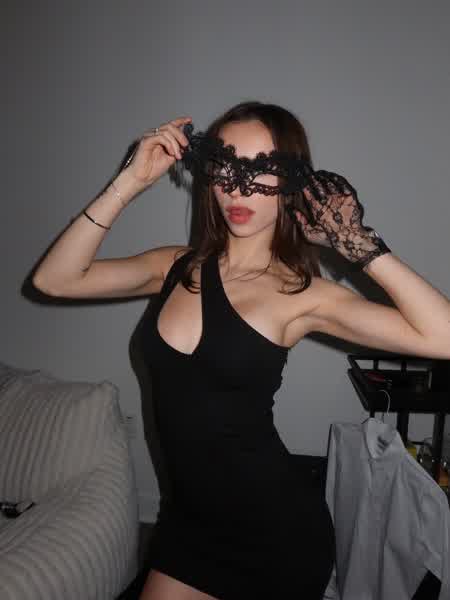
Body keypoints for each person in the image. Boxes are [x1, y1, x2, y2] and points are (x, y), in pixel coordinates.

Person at [33, 101, 450, 599]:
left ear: (292, 183)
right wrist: (129, 182)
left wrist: (354, 241)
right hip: (188, 524)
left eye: (262, 169)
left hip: (274, 533)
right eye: (226, 166)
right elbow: (55, 280)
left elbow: (443, 337)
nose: (238, 187)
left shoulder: (301, 294)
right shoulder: (173, 266)